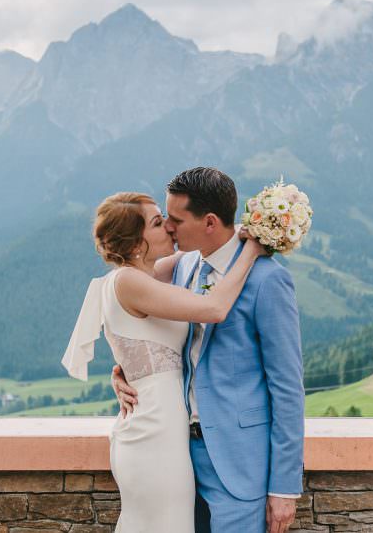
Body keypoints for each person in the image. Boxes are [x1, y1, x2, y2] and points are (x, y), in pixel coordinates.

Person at [112, 167, 304, 533]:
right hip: (178, 458)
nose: (168, 227)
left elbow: (288, 388)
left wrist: (284, 487)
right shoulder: (184, 265)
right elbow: (129, 301)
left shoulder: (268, 279)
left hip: (240, 464)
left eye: (176, 219)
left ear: (210, 222)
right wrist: (123, 370)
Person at [62, 191, 268, 532]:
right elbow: (214, 309)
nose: (170, 228)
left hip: (166, 430)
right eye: (158, 223)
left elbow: (203, 253)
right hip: (153, 435)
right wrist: (252, 251)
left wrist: (242, 231)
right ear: (133, 243)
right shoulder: (128, 280)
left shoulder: (148, 273)